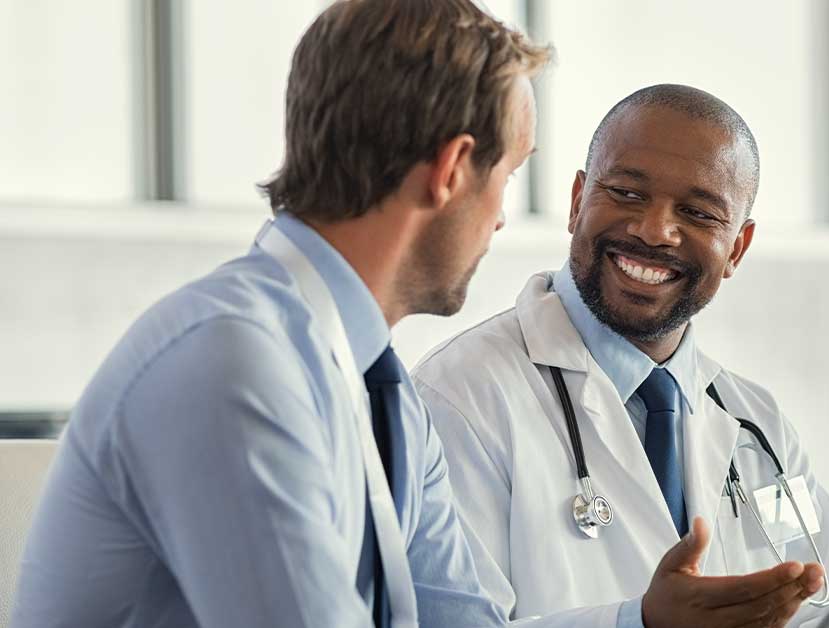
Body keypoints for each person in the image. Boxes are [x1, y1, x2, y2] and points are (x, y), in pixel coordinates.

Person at [12, 1, 543, 625]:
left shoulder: (387, 397)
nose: (503, 216)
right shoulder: (232, 366)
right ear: (451, 170)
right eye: (506, 175)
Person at [412, 84, 829, 627]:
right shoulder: (461, 396)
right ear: (578, 202)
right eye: (626, 193)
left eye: (697, 212)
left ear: (737, 248)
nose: (655, 230)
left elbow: (818, 597)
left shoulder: (757, 426)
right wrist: (637, 624)